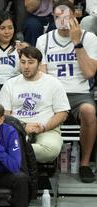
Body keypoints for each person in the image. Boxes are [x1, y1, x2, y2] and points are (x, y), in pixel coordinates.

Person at [36, 0, 97, 182]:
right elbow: (42, 76)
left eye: (66, 17)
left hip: (79, 92)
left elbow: (89, 73)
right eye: (57, 17)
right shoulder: (44, 40)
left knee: (89, 111)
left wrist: (76, 42)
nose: (62, 21)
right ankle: (43, 163)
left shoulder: (89, 38)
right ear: (53, 18)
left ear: (75, 16)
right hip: (53, 92)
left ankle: (84, 164)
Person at [0, 46, 70, 163]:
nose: (26, 66)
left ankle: (14, 153)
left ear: (39, 64)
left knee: (51, 150)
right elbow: (4, 114)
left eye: (31, 62)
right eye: (23, 62)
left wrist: (44, 127)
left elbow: (62, 113)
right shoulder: (10, 84)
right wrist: (23, 127)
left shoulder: (53, 83)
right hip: (16, 129)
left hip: (47, 129)